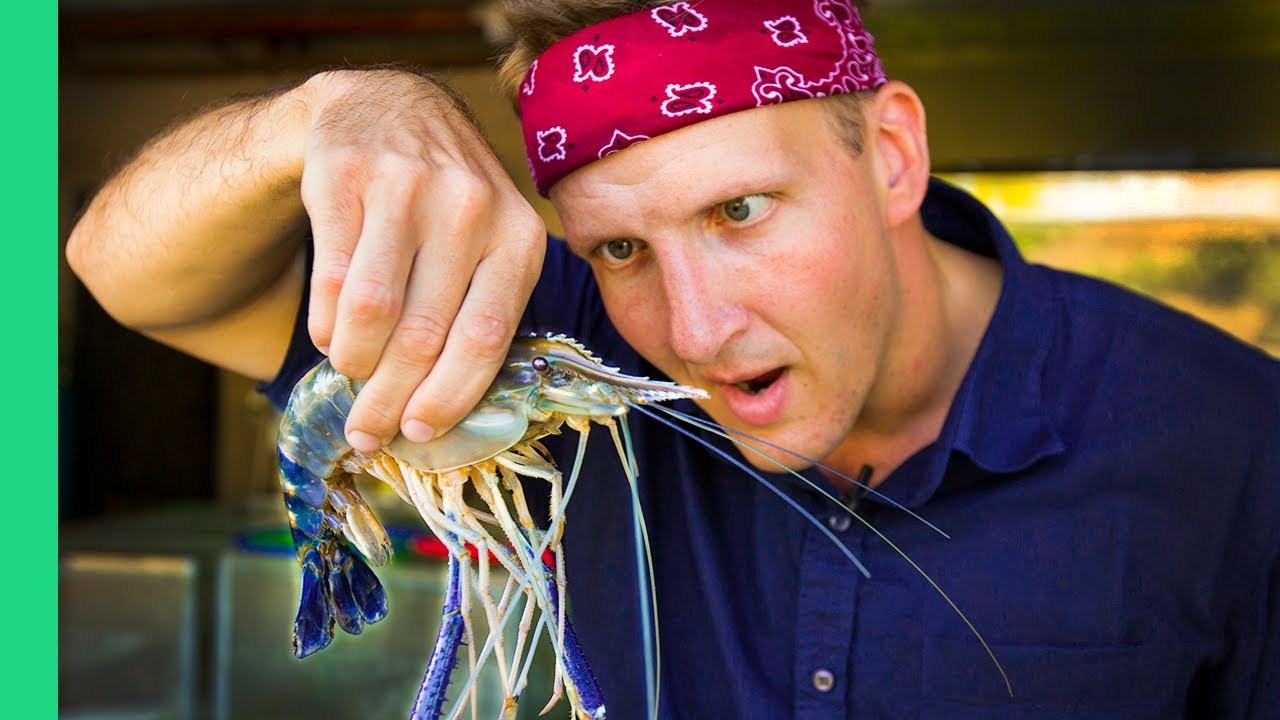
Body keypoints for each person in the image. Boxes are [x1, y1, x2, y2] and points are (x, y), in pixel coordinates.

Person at [67, 0, 1278, 717]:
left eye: (740, 211)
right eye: (619, 247)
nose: (691, 334)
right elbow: (124, 269)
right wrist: (324, 111)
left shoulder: (1231, 441)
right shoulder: (558, 342)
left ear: (893, 154)